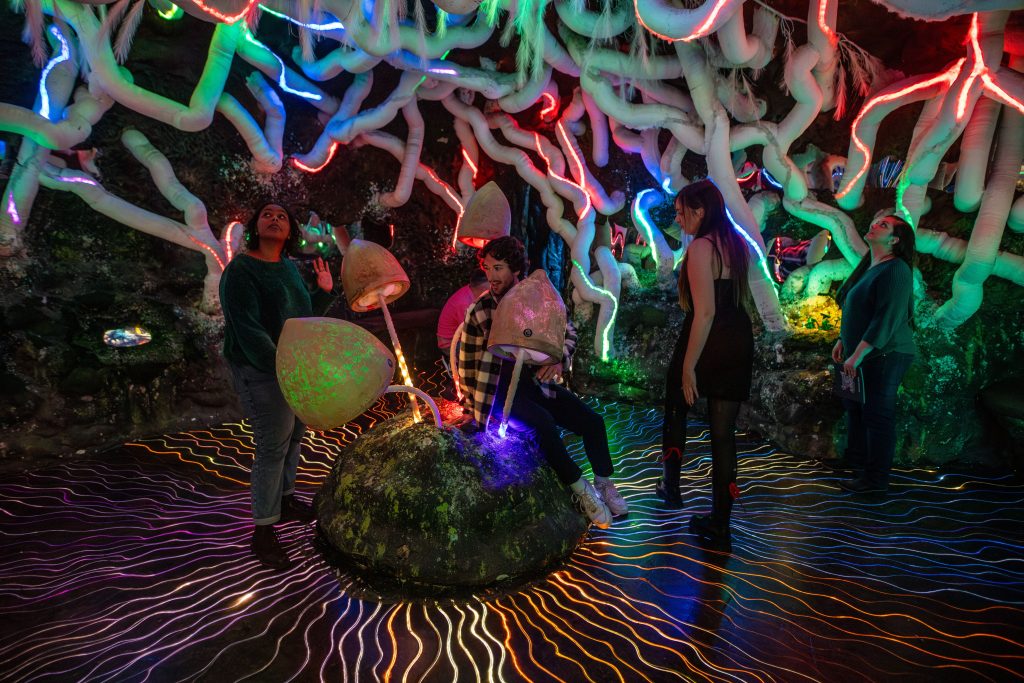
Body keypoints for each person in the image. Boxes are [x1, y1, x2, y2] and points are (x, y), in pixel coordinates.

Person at [457, 236, 628, 528]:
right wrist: (472, 409)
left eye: (498, 268)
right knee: (543, 424)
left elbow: (569, 331)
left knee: (593, 422)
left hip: (536, 385)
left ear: (515, 270)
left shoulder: (538, 299)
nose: (491, 276)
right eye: (487, 268)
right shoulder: (481, 310)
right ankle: (580, 489)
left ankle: (604, 483)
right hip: (497, 393)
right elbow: (466, 366)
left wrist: (557, 358)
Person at [220, 201, 335, 570]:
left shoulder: (286, 267)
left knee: (296, 435)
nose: (274, 219)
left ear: (290, 232)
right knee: (272, 445)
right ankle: (264, 531)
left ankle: (284, 500)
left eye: (282, 216)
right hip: (263, 370)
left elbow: (302, 315)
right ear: (255, 225)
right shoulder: (240, 271)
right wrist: (282, 368)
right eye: (267, 214)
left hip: (292, 367)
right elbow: (249, 330)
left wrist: (322, 290)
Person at [659, 180, 754, 552]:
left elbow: (705, 312)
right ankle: (721, 523)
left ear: (701, 212)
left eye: (683, 211)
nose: (678, 217)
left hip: (708, 339)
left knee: (675, 403)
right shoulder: (736, 243)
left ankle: (671, 488)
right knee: (723, 436)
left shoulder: (701, 247)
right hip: (738, 339)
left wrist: (688, 367)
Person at [832, 213, 916, 494]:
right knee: (855, 408)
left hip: (885, 354)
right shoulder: (870, 265)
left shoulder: (896, 270)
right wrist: (843, 341)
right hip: (859, 352)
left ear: (894, 240)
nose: (875, 224)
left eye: (884, 225)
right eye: (876, 221)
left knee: (877, 415)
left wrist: (858, 355)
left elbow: (886, 318)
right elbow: (858, 310)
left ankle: (875, 481)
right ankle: (856, 462)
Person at [437, 269, 489, 352]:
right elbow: (471, 333)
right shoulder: (465, 303)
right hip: (450, 344)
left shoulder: (472, 292)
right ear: (484, 287)